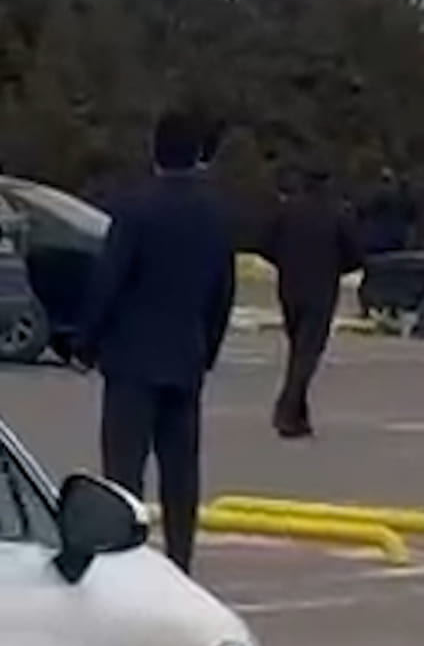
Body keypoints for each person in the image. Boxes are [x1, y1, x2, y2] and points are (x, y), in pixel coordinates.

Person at [76, 109, 236, 577]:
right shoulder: (214, 215)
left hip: (131, 360)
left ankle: (123, 563)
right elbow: (223, 291)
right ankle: (180, 563)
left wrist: (86, 341)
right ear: (198, 156)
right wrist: (207, 348)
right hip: (185, 359)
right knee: (181, 472)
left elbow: (109, 281)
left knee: (124, 471)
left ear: (155, 151)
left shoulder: (135, 209)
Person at [262, 167, 362, 439]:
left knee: (298, 350)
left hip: (290, 287)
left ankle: (298, 415)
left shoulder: (287, 211)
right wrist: (336, 268)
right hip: (321, 288)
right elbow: (355, 254)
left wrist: (284, 262)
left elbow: (265, 243)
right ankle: (286, 411)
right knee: (307, 353)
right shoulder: (337, 214)